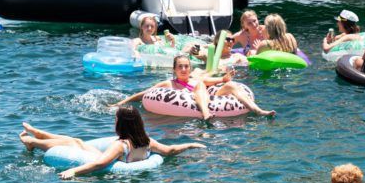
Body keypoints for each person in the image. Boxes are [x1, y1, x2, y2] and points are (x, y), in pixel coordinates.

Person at [18, 106, 205, 180]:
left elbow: (100, 163)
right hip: (119, 161)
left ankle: (33, 142)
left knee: (73, 143)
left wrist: (73, 171)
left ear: (121, 123)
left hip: (101, 158)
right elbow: (170, 150)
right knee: (76, 140)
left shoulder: (121, 145)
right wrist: (190, 145)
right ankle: (38, 134)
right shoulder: (147, 142)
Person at [113, 55, 275, 118]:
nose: (184, 69)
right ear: (174, 70)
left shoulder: (196, 78)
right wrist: (120, 104)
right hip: (195, 103)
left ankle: (258, 110)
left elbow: (218, 81)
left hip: (212, 98)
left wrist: (225, 78)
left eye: (186, 66)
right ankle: (205, 114)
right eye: (180, 67)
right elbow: (144, 94)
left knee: (231, 85)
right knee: (199, 87)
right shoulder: (169, 84)